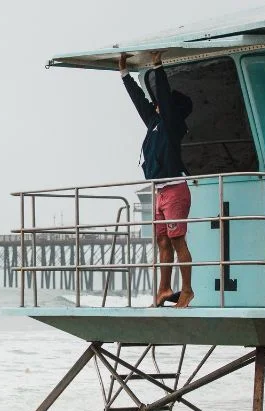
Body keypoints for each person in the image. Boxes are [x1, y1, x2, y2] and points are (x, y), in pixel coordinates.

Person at [119, 51, 194, 308]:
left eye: (162, 103)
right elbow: (140, 101)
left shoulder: (173, 125)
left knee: (176, 240)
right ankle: (164, 289)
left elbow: (163, 94)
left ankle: (187, 291)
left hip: (174, 189)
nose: (157, 104)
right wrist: (125, 75)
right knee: (162, 241)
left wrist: (159, 66)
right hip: (160, 191)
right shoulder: (154, 122)